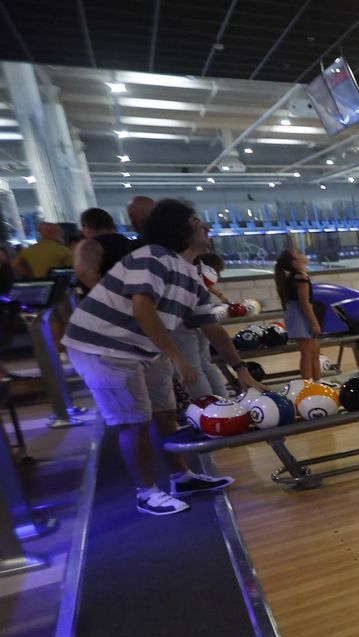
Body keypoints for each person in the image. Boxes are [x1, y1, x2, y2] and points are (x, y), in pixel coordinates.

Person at [60, 198, 262, 516]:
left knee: (165, 413)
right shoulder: (152, 257)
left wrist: (241, 370)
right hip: (102, 346)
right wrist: (177, 357)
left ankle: (181, 477)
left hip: (143, 347)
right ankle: (145, 492)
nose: (206, 227)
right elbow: (143, 307)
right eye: (197, 221)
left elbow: (213, 329)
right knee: (134, 421)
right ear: (181, 228)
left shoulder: (191, 276)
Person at [180, 252, 232, 399]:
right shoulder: (202, 276)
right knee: (204, 362)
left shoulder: (189, 273)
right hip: (202, 319)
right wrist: (220, 294)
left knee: (193, 368)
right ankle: (222, 399)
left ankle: (208, 407)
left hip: (189, 321)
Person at [274, 248, 322, 380]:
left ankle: (318, 382)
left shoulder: (299, 276)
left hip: (300, 313)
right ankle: (308, 384)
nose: (303, 255)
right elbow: (304, 303)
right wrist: (314, 323)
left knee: (315, 351)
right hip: (300, 315)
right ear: (294, 263)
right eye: (299, 254)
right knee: (308, 353)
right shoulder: (299, 277)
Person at [74, 207, 135, 293]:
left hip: (107, 301)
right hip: (134, 297)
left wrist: (111, 298)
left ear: (87, 226)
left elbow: (86, 273)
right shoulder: (127, 241)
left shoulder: (89, 245)